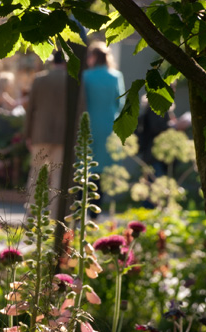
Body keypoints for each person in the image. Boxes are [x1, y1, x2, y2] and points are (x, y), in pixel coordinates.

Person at [80, 42, 125, 208]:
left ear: (92, 57)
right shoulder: (116, 76)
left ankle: (81, 207)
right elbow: (120, 103)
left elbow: (81, 102)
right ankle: (95, 211)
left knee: (85, 165)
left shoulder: (86, 76)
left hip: (88, 125)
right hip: (108, 126)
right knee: (102, 169)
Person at [24, 51, 68, 209]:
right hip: (64, 136)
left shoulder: (40, 79)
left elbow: (30, 110)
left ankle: (31, 213)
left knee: (36, 174)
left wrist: (28, 134)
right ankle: (54, 215)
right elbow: (80, 110)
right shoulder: (73, 81)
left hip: (40, 133)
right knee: (58, 177)